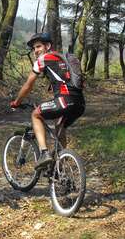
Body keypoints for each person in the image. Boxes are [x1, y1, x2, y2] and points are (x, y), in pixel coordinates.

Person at [10, 32, 86, 169]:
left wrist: (17, 102)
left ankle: (44, 153)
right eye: (34, 48)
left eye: (38, 46)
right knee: (59, 127)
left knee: (35, 114)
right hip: (80, 103)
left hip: (64, 101)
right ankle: (61, 167)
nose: (35, 51)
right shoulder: (62, 59)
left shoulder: (44, 59)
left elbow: (28, 85)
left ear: (48, 46)